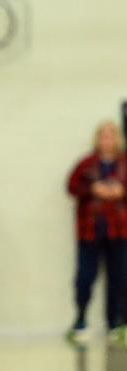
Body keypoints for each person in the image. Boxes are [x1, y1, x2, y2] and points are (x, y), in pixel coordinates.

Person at [66, 121, 127, 343]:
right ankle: (80, 320)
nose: (107, 140)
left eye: (111, 136)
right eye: (103, 136)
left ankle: (117, 323)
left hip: (119, 231)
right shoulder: (86, 164)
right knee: (85, 277)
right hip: (90, 232)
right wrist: (93, 189)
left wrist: (121, 191)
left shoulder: (124, 163)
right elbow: (71, 186)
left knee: (120, 278)